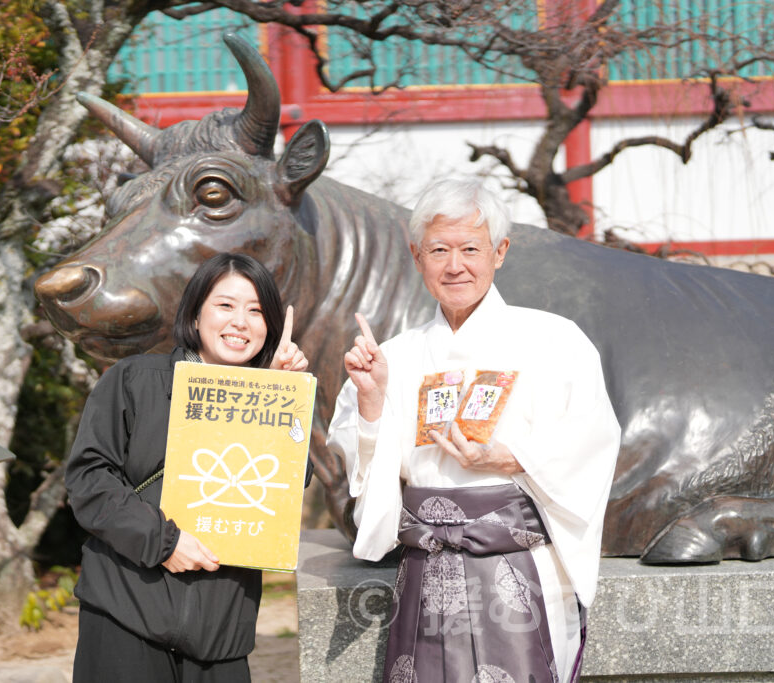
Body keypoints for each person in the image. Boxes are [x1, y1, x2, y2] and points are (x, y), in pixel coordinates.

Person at [327, 178, 621, 683]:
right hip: (426, 568)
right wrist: (373, 400)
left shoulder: (555, 340)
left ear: (499, 252)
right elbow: (368, 464)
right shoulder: (396, 355)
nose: (455, 265)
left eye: (470, 248)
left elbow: (594, 437)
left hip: (517, 563)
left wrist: (512, 457)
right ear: (418, 257)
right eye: (439, 250)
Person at [65, 252, 308, 683]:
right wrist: (163, 542)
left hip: (221, 635)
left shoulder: (281, 396)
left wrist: (278, 395)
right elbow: (89, 479)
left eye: (256, 311)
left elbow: (288, 482)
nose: (240, 322)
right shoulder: (135, 380)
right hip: (126, 614)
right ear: (195, 315)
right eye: (226, 305)